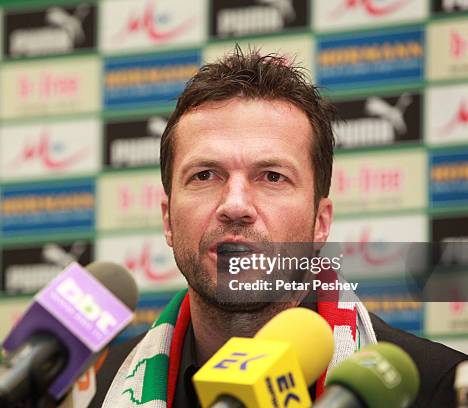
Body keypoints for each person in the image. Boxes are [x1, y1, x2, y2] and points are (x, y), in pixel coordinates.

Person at [90, 48, 467, 408]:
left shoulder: (438, 390)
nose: (235, 206)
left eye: (272, 176)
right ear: (167, 219)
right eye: (205, 175)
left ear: (321, 224)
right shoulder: (94, 390)